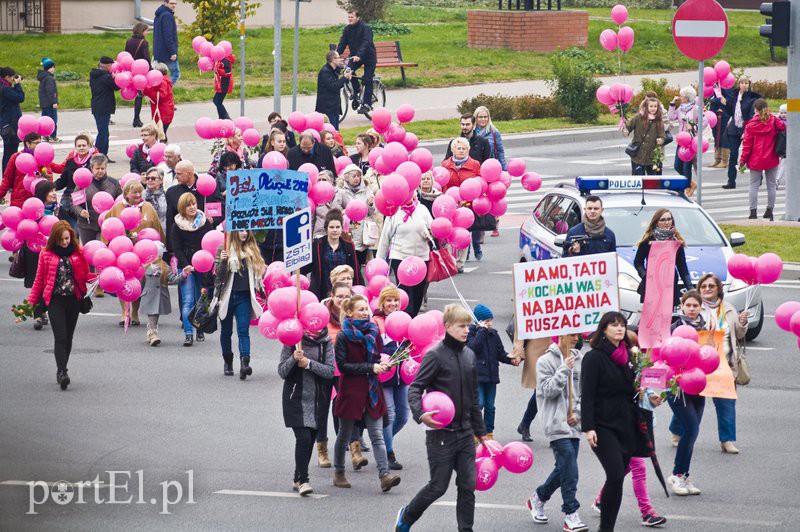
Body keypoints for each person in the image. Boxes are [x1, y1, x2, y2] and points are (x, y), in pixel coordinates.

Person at [395, 304, 487, 532]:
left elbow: (474, 397)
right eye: (461, 326)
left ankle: (466, 529)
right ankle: (407, 515)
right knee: (438, 486)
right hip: (441, 434)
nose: (467, 330)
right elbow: (415, 388)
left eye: (468, 326)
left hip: (465, 434)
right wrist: (420, 414)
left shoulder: (469, 355)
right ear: (447, 327)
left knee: (468, 486)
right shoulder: (435, 355)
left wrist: (482, 432)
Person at [580, 312, 645, 532]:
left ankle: (608, 527)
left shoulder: (629, 356)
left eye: (622, 325)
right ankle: (605, 528)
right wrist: (588, 428)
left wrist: (647, 394)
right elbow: (587, 394)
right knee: (616, 473)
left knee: (617, 480)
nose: (619, 329)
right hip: (602, 425)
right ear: (604, 329)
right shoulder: (594, 357)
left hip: (625, 424)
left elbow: (634, 390)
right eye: (614, 325)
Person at [332, 294, 401, 492]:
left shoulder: (373, 331)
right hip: (351, 392)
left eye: (366, 309)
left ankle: (384, 475)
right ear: (350, 312)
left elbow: (377, 356)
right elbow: (344, 366)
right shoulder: (344, 336)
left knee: (377, 435)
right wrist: (371, 367)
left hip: (372, 391)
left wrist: (382, 363)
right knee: (344, 435)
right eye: (360, 309)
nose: (365, 312)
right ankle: (338, 472)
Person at [526, 333, 587, 532]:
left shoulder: (579, 360)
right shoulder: (545, 361)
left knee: (564, 468)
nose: (575, 339)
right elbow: (547, 391)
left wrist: (577, 414)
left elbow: (583, 393)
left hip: (573, 424)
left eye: (578, 335)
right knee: (569, 464)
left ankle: (539, 497)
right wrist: (563, 369)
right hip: (554, 423)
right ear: (560, 335)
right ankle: (570, 513)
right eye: (571, 335)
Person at [27, 221, 93, 390]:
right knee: (61, 337)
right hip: (55, 300)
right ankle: (63, 372)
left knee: (69, 337)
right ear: (55, 239)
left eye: (67, 238)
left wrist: (100, 276)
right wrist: (31, 302)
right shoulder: (46, 254)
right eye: (61, 239)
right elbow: (39, 279)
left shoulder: (79, 253)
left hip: (73, 300)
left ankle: (61, 368)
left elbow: (85, 275)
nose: (65, 242)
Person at [278, 318, 336, 496]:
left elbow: (329, 371)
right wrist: (294, 360)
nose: (314, 325)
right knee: (303, 438)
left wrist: (309, 364)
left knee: (310, 439)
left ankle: (297, 477)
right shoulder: (292, 340)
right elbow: (282, 371)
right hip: (296, 397)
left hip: (318, 399)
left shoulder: (326, 343)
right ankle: (304, 480)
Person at [696, 273, 747, 454]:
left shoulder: (728, 309)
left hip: (724, 365)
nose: (707, 289)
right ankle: (678, 432)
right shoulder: (695, 306)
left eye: (711, 286)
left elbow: (739, 335)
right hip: (698, 365)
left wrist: (742, 323)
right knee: (693, 402)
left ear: (718, 289)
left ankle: (727, 441)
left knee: (726, 403)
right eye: (704, 286)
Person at [106, 179, 165, 325]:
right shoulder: (117, 208)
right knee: (122, 281)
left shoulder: (148, 207)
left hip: (142, 252)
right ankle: (124, 312)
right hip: (121, 250)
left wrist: (161, 248)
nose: (138, 195)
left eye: (140, 191)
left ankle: (134, 313)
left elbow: (157, 228)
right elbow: (108, 227)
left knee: (138, 281)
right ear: (126, 193)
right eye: (135, 192)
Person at [666, 289, 706, 495]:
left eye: (695, 306)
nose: (691, 309)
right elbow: (662, 356)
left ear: (700, 307)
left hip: (699, 386)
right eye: (688, 305)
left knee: (692, 433)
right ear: (682, 306)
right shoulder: (673, 327)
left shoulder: (707, 329)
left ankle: (684, 474)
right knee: (690, 430)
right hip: (678, 388)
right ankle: (676, 475)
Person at [214, 230, 266, 378]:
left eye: (246, 230)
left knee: (243, 331)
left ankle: (245, 363)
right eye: (240, 230)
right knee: (226, 332)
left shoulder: (252, 249)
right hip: (227, 296)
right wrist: (224, 260)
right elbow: (217, 276)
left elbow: (259, 273)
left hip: (244, 296)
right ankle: (228, 361)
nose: (244, 233)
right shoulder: (223, 248)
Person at [371, 286, 410, 471]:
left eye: (395, 300)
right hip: (384, 375)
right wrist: (391, 352)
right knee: (391, 414)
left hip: (402, 375)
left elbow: (413, 344)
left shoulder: (405, 320)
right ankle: (388, 452)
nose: (393, 304)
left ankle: (381, 441)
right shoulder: (375, 322)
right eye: (389, 300)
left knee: (403, 416)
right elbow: (374, 348)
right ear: (382, 303)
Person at [376, 194, 433, 317]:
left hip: (421, 259)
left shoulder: (422, 209)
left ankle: (413, 318)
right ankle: (405, 321)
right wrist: (379, 262)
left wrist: (428, 234)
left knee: (418, 293)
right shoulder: (394, 212)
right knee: (405, 294)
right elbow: (385, 238)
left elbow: (433, 231)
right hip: (400, 258)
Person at [316, 281, 352, 469]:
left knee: (343, 409)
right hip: (324, 368)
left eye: (347, 297)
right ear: (332, 296)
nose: (343, 300)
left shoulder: (353, 316)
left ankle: (347, 446)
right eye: (340, 296)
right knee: (321, 409)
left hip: (345, 370)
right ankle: (322, 449)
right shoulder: (323, 314)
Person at [467, 304, 518, 439]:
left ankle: (489, 432)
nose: (490, 323)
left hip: (491, 376)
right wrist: (482, 331)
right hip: (477, 376)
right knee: (480, 404)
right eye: (487, 320)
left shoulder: (493, 334)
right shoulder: (471, 333)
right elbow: (474, 348)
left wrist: (511, 359)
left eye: (491, 320)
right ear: (479, 321)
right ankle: (475, 431)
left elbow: (500, 353)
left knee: (490, 406)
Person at [170, 192, 214, 347]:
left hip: (204, 265)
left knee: (201, 299)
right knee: (188, 299)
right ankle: (188, 333)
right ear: (182, 208)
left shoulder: (204, 222)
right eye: (188, 205)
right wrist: (186, 265)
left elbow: (211, 242)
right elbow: (177, 248)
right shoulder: (177, 225)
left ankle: (199, 326)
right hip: (187, 266)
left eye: (194, 203)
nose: (192, 207)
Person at [634, 208, 693, 308]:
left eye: (669, 219)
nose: (667, 222)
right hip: (652, 285)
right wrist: (646, 276)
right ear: (656, 222)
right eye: (663, 220)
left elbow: (682, 267)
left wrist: (690, 288)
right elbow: (638, 262)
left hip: (670, 285)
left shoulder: (676, 242)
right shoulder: (648, 241)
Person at [739, 98, 784, 221]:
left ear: (755, 110)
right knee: (771, 185)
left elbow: (747, 146)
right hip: (772, 158)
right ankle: (770, 210)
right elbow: (784, 127)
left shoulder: (750, 125)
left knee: (753, 185)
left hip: (756, 159)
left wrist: (743, 160)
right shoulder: (774, 121)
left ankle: (753, 212)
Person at [25, 181, 60, 330]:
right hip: (34, 250)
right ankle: (38, 314)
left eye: (54, 190)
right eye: (50, 191)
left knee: (50, 283)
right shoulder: (33, 210)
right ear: (42, 194)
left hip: (53, 251)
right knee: (38, 281)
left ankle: (43, 310)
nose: (53, 193)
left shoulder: (58, 209)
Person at [165, 160, 220, 252]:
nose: (176, 176)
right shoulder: (172, 192)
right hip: (184, 242)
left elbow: (220, 206)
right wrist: (171, 248)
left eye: (179, 174)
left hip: (206, 238)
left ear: (189, 174)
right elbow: (170, 219)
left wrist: (213, 219)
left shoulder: (208, 185)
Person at [309, 209, 361, 301]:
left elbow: (356, 270)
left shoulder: (348, 246)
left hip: (344, 293)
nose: (335, 230)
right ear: (326, 228)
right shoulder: (317, 245)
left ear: (342, 228)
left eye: (337, 227)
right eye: (331, 227)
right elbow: (307, 267)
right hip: (323, 291)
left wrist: (359, 290)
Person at [140, 241, 185, 346]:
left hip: (160, 296)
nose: (153, 257)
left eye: (156, 254)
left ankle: (151, 330)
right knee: (152, 314)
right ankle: (153, 334)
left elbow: (173, 279)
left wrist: (183, 275)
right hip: (149, 295)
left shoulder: (165, 267)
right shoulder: (144, 266)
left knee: (156, 315)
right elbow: (140, 281)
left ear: (160, 255)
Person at [71, 153, 122, 245]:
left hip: (107, 224)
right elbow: (74, 204)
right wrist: (80, 211)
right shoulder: (83, 182)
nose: (100, 171)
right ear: (91, 168)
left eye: (102, 168)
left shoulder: (114, 183)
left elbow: (120, 202)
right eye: (97, 168)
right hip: (87, 225)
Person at [721, 76, 761, 189]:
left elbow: (751, 116)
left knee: (752, 154)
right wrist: (725, 103)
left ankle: (759, 178)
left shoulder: (752, 98)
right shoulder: (734, 96)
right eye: (742, 83)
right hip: (734, 128)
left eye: (746, 83)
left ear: (749, 84)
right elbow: (730, 112)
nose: (744, 85)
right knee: (733, 155)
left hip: (747, 128)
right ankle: (731, 181)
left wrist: (746, 130)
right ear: (739, 84)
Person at [52, 132, 97, 231]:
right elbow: (63, 180)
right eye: (79, 146)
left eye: (84, 145)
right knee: (65, 227)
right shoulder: (70, 161)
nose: (81, 148)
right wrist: (51, 186)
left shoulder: (93, 162)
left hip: (85, 196)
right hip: (69, 195)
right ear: (75, 148)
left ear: (89, 147)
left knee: (78, 230)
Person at [512, 335, 550, 442]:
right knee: (541, 390)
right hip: (535, 349)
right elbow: (521, 327)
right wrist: (518, 353)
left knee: (555, 390)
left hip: (556, 348)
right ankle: (526, 424)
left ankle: (525, 424)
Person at [337, 11, 376, 114]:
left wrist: (359, 54)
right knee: (347, 71)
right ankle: (357, 89)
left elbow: (366, 43)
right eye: (349, 17)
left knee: (367, 79)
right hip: (355, 57)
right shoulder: (347, 29)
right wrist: (335, 55)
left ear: (358, 17)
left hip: (369, 58)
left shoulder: (365, 28)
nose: (350, 19)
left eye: (352, 17)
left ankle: (367, 104)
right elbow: (342, 43)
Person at [336, 164, 375, 266]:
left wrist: (370, 205)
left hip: (363, 233)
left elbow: (371, 213)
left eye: (358, 176)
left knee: (360, 262)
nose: (357, 178)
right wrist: (344, 212)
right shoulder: (341, 191)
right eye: (354, 176)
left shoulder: (367, 190)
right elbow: (337, 209)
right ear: (346, 177)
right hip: (348, 232)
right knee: (349, 263)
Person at [1, 132, 50, 208]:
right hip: (19, 199)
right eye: (36, 143)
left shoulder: (42, 157)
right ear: (28, 144)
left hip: (37, 200)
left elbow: (48, 178)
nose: (39, 146)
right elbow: (7, 179)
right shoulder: (16, 157)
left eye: (40, 143)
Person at [623, 97, 666, 178]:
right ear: (646, 107)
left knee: (652, 180)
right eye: (651, 106)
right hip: (638, 155)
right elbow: (628, 127)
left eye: (655, 106)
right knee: (637, 179)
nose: (653, 108)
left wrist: (661, 140)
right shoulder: (638, 117)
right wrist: (625, 131)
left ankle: (651, 191)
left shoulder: (659, 120)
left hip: (652, 156)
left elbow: (662, 135)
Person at [667, 86, 698, 188]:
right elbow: (671, 117)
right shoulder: (681, 108)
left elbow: (705, 122)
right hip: (681, 140)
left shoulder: (695, 108)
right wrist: (672, 104)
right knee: (677, 165)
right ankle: (689, 183)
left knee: (686, 166)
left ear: (687, 97)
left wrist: (694, 126)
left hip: (690, 141)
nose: (680, 97)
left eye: (682, 96)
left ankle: (687, 187)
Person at [89, 57, 119, 158]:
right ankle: (98, 155)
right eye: (111, 65)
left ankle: (101, 154)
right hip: (103, 107)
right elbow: (116, 86)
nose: (112, 67)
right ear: (106, 66)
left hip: (97, 106)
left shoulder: (94, 75)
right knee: (103, 133)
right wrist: (115, 78)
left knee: (103, 132)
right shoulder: (106, 77)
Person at [315, 50, 351, 129]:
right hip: (327, 108)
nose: (340, 59)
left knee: (335, 132)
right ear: (333, 60)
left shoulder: (333, 70)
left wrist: (346, 77)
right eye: (338, 58)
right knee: (330, 130)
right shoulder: (325, 72)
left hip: (334, 107)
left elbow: (338, 84)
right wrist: (344, 77)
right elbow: (333, 86)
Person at [126, 22, 151, 128]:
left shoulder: (129, 41)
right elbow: (146, 58)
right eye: (146, 30)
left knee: (136, 94)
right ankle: (136, 119)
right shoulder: (144, 43)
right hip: (141, 71)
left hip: (131, 69)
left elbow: (126, 55)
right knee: (139, 95)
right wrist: (150, 69)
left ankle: (136, 118)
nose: (147, 32)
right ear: (142, 31)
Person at [141, 62, 174, 141]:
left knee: (160, 134)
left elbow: (161, 96)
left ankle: (162, 150)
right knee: (161, 133)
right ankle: (164, 149)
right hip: (163, 111)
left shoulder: (162, 82)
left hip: (163, 112)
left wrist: (147, 90)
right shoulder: (163, 80)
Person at [0, 66, 24, 173]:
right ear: (6, 77)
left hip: (6, 123)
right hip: (10, 125)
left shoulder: (4, 87)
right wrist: (18, 84)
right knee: (10, 154)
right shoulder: (5, 89)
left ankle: (7, 177)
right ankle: (7, 177)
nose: (13, 79)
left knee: (9, 153)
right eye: (12, 77)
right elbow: (20, 98)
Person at [153, 0, 179, 85]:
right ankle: (164, 91)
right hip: (167, 52)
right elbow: (168, 36)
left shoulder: (159, 14)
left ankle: (158, 93)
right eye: (171, 3)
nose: (174, 5)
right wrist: (173, 52)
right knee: (175, 74)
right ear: (165, 3)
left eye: (175, 3)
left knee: (160, 75)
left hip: (159, 51)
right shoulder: (167, 15)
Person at [37, 58, 59, 142]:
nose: (54, 69)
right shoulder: (49, 78)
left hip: (44, 103)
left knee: (45, 120)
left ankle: (45, 135)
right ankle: (53, 136)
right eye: (53, 67)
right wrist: (54, 102)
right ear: (50, 68)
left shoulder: (43, 77)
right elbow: (50, 91)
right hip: (50, 104)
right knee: (53, 120)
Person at [213, 50, 235, 120]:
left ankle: (225, 118)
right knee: (216, 100)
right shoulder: (220, 59)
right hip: (220, 84)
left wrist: (218, 70)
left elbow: (228, 72)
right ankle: (222, 117)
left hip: (225, 84)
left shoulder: (225, 60)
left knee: (218, 101)